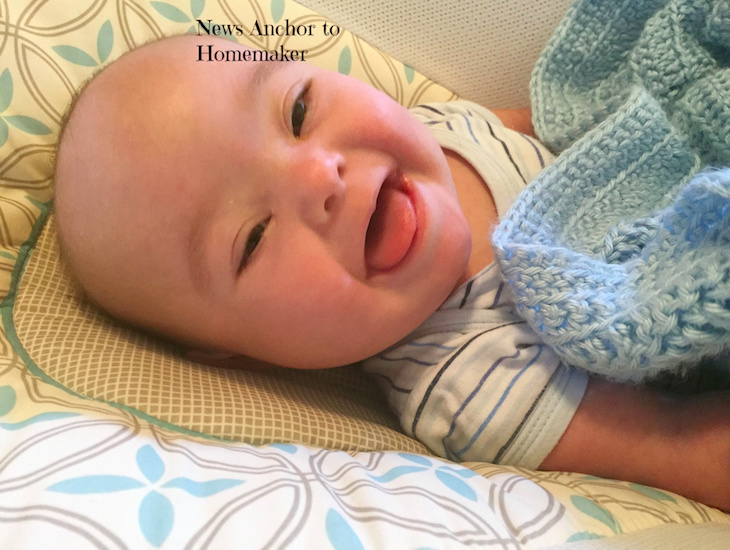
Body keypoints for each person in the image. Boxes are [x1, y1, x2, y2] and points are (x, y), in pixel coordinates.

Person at [53, 34, 729, 511]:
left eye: (296, 110)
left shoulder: (444, 130)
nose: (319, 175)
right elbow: (677, 445)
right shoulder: (474, 387)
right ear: (238, 353)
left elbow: (573, 127)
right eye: (253, 238)